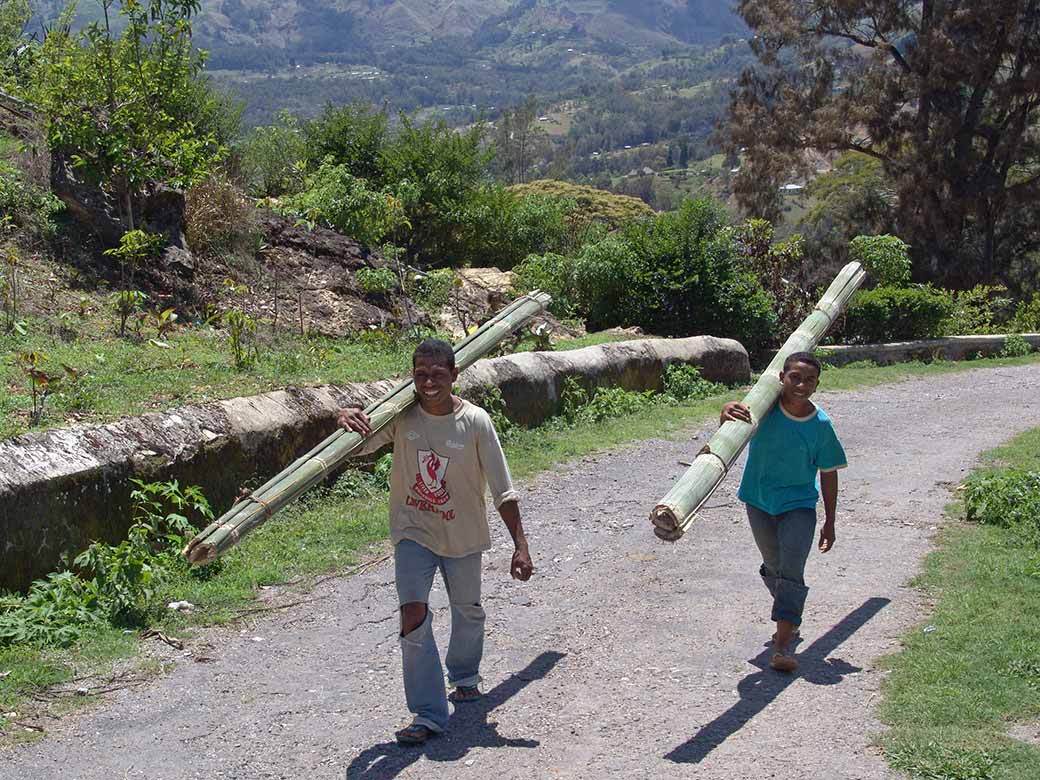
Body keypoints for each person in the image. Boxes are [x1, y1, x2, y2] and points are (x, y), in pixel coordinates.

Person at [338, 338, 534, 745]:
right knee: (412, 612)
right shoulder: (401, 417)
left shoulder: (476, 421)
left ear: (454, 375)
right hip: (414, 532)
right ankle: (427, 713)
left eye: (438, 374)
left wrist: (520, 544)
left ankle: (463, 675)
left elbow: (503, 488)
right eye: (420, 374)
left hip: (462, 534)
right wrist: (344, 418)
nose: (429, 382)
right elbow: (360, 443)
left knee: (468, 610)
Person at [719, 351, 847, 673]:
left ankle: (782, 642)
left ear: (817, 385)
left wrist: (830, 522)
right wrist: (725, 413)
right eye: (795, 377)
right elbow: (731, 429)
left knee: (791, 569)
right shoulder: (763, 411)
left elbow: (828, 473)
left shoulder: (820, 425)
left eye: (809, 380)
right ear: (781, 378)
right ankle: (789, 612)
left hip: (799, 505)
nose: (801, 385)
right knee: (774, 567)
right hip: (758, 500)